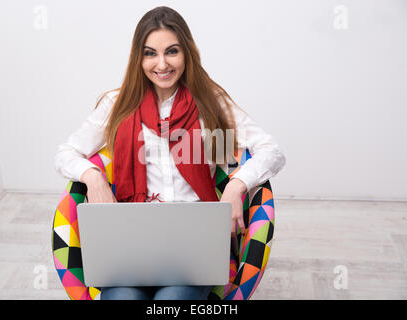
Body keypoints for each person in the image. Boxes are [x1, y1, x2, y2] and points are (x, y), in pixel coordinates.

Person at [54, 6, 286, 300]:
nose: (161, 64)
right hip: (130, 242)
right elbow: (65, 152)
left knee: (172, 300)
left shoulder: (211, 101)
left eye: (172, 51)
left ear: (187, 53)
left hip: (195, 244)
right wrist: (93, 177)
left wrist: (235, 186)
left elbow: (272, 151)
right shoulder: (118, 103)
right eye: (150, 53)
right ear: (138, 57)